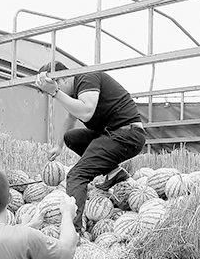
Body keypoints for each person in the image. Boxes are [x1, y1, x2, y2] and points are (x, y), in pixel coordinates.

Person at [36, 61, 146, 230]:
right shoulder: (75, 91)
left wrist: (55, 92)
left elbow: (86, 112)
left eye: (55, 87)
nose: (54, 95)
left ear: (63, 78)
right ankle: (114, 172)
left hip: (127, 135)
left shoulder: (87, 77)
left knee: (76, 175)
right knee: (71, 137)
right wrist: (58, 146)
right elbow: (70, 118)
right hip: (112, 134)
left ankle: (73, 230)